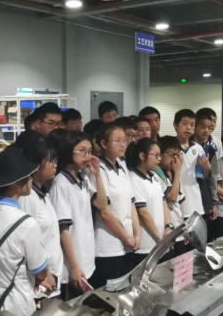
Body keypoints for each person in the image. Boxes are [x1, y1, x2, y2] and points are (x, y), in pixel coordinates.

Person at [0, 147, 51, 316]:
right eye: (28, 176)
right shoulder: (25, 224)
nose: (31, 179)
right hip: (16, 309)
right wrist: (42, 276)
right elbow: (40, 271)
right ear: (16, 182)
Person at [49, 131, 108, 299]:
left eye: (89, 151)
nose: (87, 155)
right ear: (69, 150)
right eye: (82, 150)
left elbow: (102, 204)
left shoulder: (84, 176)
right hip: (72, 262)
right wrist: (74, 266)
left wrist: (97, 175)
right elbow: (63, 229)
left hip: (87, 255)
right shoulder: (61, 183)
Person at [91, 123, 140, 288]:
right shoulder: (98, 169)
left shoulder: (122, 165)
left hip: (129, 242)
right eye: (117, 141)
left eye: (124, 140)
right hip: (108, 244)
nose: (122, 144)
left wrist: (137, 234)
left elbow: (131, 202)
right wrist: (126, 237)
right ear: (104, 144)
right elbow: (104, 212)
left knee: (126, 289)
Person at [19, 138, 64, 297]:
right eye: (50, 161)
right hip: (41, 281)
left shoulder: (43, 193)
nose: (55, 164)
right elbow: (28, 242)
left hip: (52, 275)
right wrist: (43, 274)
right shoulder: (27, 197)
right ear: (36, 166)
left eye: (55, 160)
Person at [128, 138, 171, 266]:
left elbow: (164, 203)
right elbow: (143, 212)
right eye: (156, 155)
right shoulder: (134, 179)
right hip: (146, 245)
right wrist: (158, 237)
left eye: (160, 155)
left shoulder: (155, 176)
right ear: (142, 156)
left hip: (161, 241)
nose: (159, 159)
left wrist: (168, 227)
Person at [154, 136, 188, 254]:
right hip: (166, 231)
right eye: (171, 155)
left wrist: (184, 228)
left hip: (179, 230)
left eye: (177, 155)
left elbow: (179, 203)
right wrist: (178, 171)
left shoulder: (174, 174)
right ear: (160, 155)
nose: (175, 159)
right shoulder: (156, 174)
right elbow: (172, 197)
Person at [173, 109, 205, 221]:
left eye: (192, 125)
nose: (189, 128)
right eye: (185, 124)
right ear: (175, 125)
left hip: (194, 202)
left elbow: (201, 175)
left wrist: (207, 168)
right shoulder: (169, 148)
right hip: (174, 202)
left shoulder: (198, 148)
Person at [191, 111, 219, 239]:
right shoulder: (184, 146)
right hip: (187, 199)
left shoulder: (210, 150)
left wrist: (214, 203)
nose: (206, 131)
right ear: (195, 126)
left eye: (209, 127)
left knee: (203, 238)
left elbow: (213, 179)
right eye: (202, 127)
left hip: (204, 197)